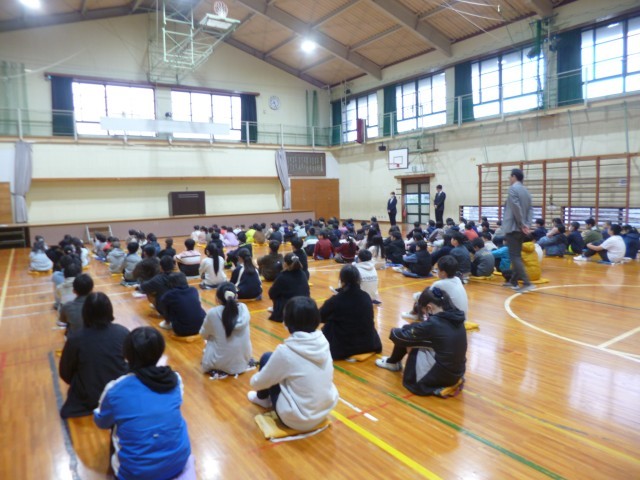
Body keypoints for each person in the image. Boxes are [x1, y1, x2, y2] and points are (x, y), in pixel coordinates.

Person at [94, 327, 193, 480]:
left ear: (126, 354)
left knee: (116, 425)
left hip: (135, 474)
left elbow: (101, 422)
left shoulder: (115, 389)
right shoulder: (175, 379)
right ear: (160, 351)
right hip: (179, 462)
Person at [247, 296, 339, 431]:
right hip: (324, 411)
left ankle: (262, 399)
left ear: (287, 321)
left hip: (297, 419)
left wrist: (256, 378)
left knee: (267, 357)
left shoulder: (285, 352)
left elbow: (257, 383)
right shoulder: (323, 341)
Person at [376, 287, 467, 398]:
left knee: (408, 337)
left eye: (424, 312)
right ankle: (393, 362)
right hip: (456, 374)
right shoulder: (456, 317)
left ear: (429, 308)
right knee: (413, 330)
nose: (425, 316)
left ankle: (392, 362)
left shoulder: (434, 324)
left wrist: (394, 331)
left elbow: (399, 337)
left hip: (436, 378)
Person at [59, 292, 129, 418]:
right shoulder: (122, 332)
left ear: (85, 312)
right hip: (118, 394)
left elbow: (65, 373)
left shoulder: (75, 338)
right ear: (109, 310)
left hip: (88, 397)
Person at [320, 265, 382, 360]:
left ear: (341, 280)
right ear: (358, 279)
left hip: (344, 348)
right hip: (369, 344)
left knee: (329, 325)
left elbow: (320, 317)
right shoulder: (366, 296)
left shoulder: (336, 300)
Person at [200, 282, 253, 376]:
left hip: (221, 363)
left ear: (217, 299)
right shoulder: (244, 308)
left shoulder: (213, 313)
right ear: (236, 296)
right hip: (244, 361)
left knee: (211, 338)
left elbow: (203, 334)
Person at [502, 168, 534, 293]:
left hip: (514, 228)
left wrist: (521, 224)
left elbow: (516, 208)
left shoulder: (513, 189)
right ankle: (513, 281)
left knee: (514, 256)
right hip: (522, 228)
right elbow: (530, 210)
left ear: (514, 177)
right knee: (517, 255)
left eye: (510, 177)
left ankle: (527, 283)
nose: (509, 179)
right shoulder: (526, 191)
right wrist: (527, 225)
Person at [268, 253, 310, 322]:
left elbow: (271, 294)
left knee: (276, 294)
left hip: (291, 308)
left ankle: (279, 311)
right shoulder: (303, 273)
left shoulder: (282, 277)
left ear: (285, 264)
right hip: (305, 306)